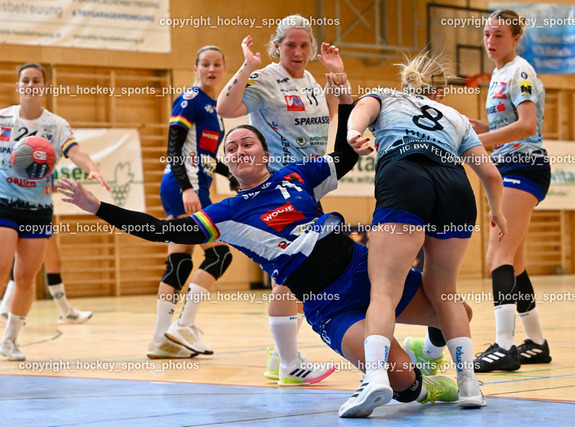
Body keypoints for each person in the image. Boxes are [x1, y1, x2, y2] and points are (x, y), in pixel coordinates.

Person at [59, 87, 461, 416]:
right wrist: (98, 208)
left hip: (368, 274)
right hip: (329, 306)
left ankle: (425, 351)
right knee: (401, 383)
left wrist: (342, 100)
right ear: (229, 166)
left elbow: (343, 156)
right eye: (230, 149)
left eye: (246, 142)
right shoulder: (227, 213)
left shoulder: (297, 175)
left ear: (264, 154)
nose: (238, 149)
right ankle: (422, 386)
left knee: (459, 312)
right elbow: (160, 230)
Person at [342, 52, 507, 414]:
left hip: (405, 173)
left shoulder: (387, 95)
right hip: (455, 188)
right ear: (440, 93)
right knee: (445, 292)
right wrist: (497, 212)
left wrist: (354, 133)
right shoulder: (457, 117)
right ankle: (469, 384)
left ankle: (375, 379)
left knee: (384, 289)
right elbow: (491, 175)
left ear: (405, 84)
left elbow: (360, 111)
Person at [216, 14, 344, 385]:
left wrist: (335, 81)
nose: (299, 52)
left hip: (308, 186)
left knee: (298, 275)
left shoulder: (311, 81)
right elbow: (226, 109)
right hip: (276, 187)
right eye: (291, 45)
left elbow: (326, 117)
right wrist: (247, 65)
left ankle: (280, 357)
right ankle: (288, 363)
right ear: (277, 47)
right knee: (289, 275)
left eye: (305, 45)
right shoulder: (266, 77)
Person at [0, 62, 110, 361]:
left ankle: (10, 341)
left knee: (25, 278)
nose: (31, 84)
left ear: (45, 86)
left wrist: (92, 169)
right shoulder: (3, 119)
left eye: (37, 80)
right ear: (19, 85)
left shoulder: (56, 125)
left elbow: (76, 151)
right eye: (26, 80)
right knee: (1, 268)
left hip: (38, 209)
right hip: (4, 204)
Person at [469, 9, 552, 372]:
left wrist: (480, 140)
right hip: (511, 164)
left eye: (499, 35)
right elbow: (514, 126)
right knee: (514, 263)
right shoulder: (499, 74)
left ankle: (504, 346)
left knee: (495, 256)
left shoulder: (519, 71)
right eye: (487, 35)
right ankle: (535, 343)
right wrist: (483, 127)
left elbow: (527, 125)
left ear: (516, 38)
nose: (490, 42)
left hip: (524, 167)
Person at [149, 46, 233, 359]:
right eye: (205, 64)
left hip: (199, 186)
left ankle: (160, 339)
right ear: (195, 68)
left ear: (224, 69)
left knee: (179, 262)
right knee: (220, 256)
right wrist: (186, 188)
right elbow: (173, 146)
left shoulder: (217, 108)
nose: (211, 69)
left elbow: (208, 158)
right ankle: (184, 323)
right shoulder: (190, 99)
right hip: (185, 188)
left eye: (217, 64)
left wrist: (234, 176)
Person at [0, 237, 93, 325]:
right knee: (23, 265)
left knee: (54, 264)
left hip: (41, 221)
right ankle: (5, 309)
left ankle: (66, 312)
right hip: (25, 222)